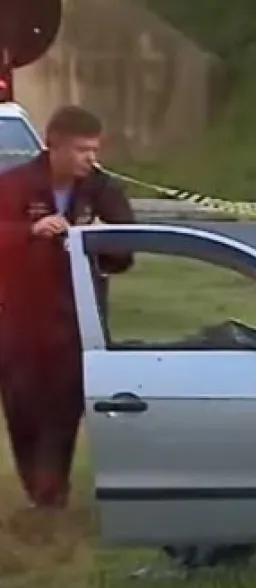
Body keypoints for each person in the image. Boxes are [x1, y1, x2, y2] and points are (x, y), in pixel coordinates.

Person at [0, 105, 135, 510]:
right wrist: (31, 232)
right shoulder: (14, 185)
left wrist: (103, 240)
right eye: (80, 150)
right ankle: (36, 487)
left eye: (94, 149)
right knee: (24, 407)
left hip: (77, 318)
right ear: (53, 146)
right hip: (21, 318)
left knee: (64, 408)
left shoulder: (102, 189)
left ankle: (51, 493)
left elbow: (126, 250)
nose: (89, 159)